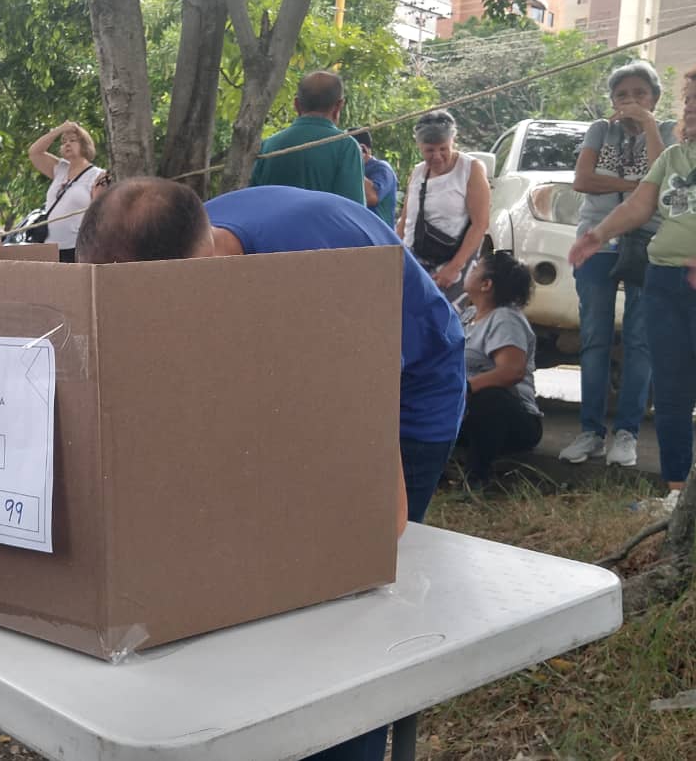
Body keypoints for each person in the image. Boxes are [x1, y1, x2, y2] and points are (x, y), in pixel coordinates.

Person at [77, 179, 464, 761]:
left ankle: (339, 738)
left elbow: (385, 514)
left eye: (140, 304)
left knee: (346, 590)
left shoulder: (314, 283)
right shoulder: (177, 248)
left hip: (412, 387)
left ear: (202, 261)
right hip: (309, 352)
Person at [569, 66, 696, 495]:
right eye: (691, 99)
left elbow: (652, 195)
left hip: (675, 265)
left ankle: (635, 441)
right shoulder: (666, 154)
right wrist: (596, 235)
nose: (692, 108)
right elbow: (634, 199)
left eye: (641, 93)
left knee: (655, 358)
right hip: (658, 271)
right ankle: (675, 490)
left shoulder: (663, 137)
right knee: (667, 386)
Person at [460, 252, 543, 486]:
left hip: (513, 421)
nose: (470, 269)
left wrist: (464, 388)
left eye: (476, 267)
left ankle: (478, 479)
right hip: (465, 411)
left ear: (486, 285)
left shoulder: (505, 319)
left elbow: (511, 372)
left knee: (490, 398)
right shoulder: (468, 316)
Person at [396, 110, 490, 302]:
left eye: (443, 149)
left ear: (452, 142)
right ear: (420, 147)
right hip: (415, 259)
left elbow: (480, 224)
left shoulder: (471, 169)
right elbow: (406, 220)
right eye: (429, 150)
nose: (437, 157)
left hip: (450, 263)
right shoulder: (417, 172)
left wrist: (454, 267)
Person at [249, 71, 365, 204]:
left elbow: (254, 201)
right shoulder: (346, 147)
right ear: (339, 106)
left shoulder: (268, 145)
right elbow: (353, 211)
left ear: (296, 104)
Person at [28, 120, 104, 262]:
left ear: (84, 144)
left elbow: (98, 216)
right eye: (63, 142)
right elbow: (34, 152)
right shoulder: (60, 168)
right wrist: (59, 130)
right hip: (49, 247)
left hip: (76, 248)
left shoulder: (99, 175)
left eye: (73, 140)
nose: (67, 144)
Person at [350, 128, 398, 228]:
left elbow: (372, 197)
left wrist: (352, 163)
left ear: (363, 149)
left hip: (380, 237)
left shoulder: (381, 168)